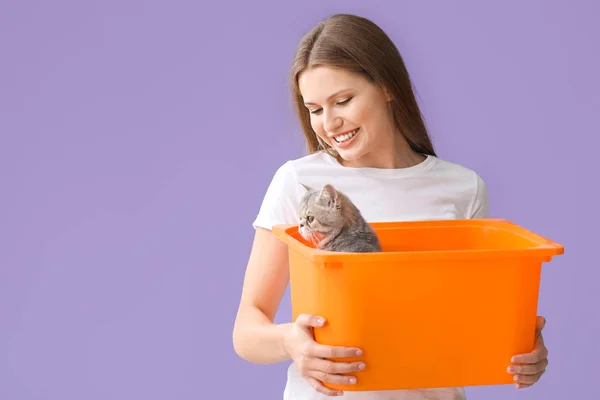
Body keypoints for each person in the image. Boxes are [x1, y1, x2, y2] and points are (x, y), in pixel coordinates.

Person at [232, 13, 549, 400]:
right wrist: (291, 343)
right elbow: (247, 329)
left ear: (386, 86)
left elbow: (464, 321)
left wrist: (520, 348)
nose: (329, 123)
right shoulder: (299, 183)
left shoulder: (462, 188)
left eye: (343, 100)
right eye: (315, 109)